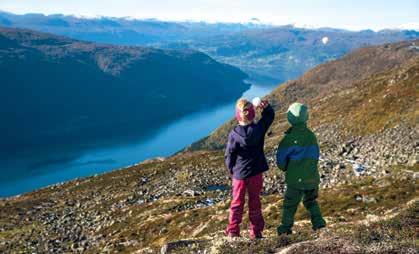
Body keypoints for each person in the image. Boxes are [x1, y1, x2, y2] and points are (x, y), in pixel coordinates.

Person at [224, 98, 275, 240]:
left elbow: (229, 155)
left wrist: (232, 171)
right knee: (255, 202)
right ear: (252, 114)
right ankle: (256, 232)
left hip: (239, 175)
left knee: (237, 203)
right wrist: (266, 107)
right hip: (256, 173)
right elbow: (269, 117)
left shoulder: (234, 134)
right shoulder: (258, 129)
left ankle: (233, 231)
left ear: (237, 115)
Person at [276, 102, 326, 235]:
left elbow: (281, 161)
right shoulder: (311, 136)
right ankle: (319, 224)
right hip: (312, 178)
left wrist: (287, 168)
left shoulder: (288, 139)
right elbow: (315, 156)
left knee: (290, 205)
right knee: (311, 201)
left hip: (295, 180)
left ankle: (285, 229)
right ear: (306, 117)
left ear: (289, 118)